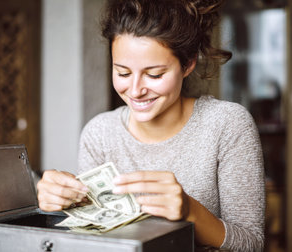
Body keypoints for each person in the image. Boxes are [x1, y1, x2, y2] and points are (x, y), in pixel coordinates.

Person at [36, 0, 265, 251]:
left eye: (154, 75)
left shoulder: (227, 125)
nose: (135, 90)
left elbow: (251, 244)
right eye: (122, 73)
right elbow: (96, 241)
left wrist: (192, 213)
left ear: (187, 64)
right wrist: (60, 205)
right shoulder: (99, 133)